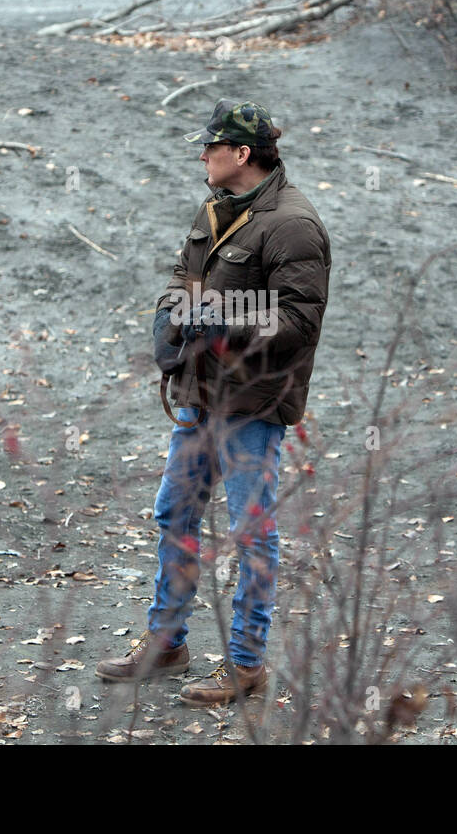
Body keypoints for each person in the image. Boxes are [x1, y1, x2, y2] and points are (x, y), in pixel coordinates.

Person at [96, 98, 331, 706]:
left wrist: (221, 322)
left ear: (241, 154)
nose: (202, 155)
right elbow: (183, 278)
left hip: (252, 406)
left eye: (211, 146)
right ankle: (166, 642)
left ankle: (247, 663)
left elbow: (299, 320)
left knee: (252, 532)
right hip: (200, 396)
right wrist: (168, 328)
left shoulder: (292, 225)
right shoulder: (215, 208)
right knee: (175, 513)